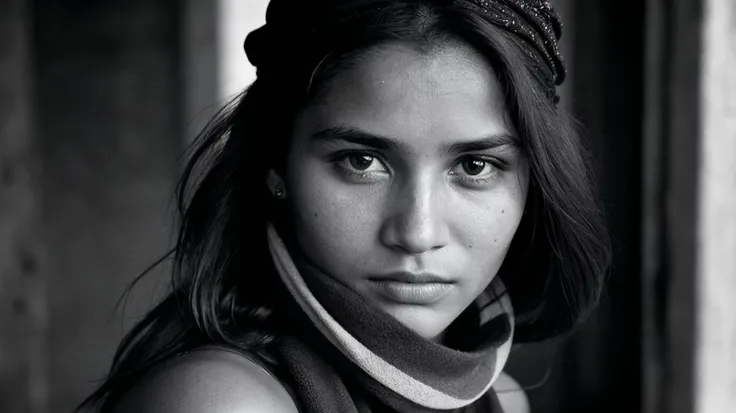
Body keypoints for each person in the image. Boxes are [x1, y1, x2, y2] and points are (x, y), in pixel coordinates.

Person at [78, 0, 611, 412]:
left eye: (474, 167)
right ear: (276, 164)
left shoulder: (503, 399)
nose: (417, 231)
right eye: (361, 162)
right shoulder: (224, 400)